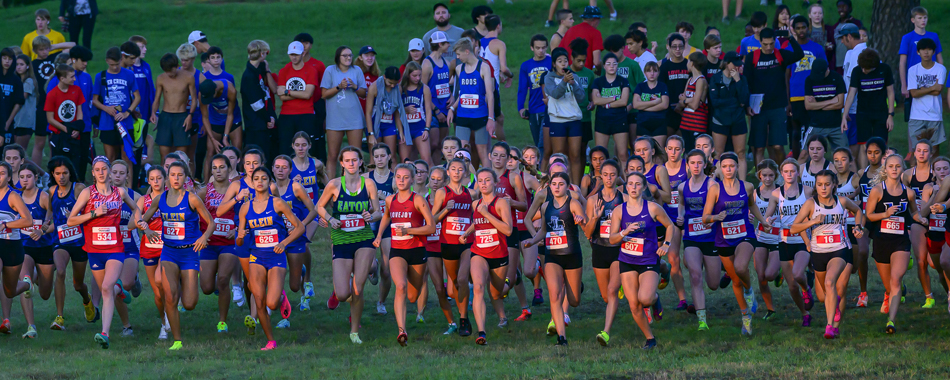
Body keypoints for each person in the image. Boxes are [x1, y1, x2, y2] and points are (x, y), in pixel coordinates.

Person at [138, 161, 213, 350]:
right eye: (173, 175)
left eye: (180, 175)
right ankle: (177, 341)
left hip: (189, 253)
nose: (176, 178)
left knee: (189, 303)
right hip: (169, 252)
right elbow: (140, 220)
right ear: (167, 178)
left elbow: (211, 223)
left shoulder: (192, 199)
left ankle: (183, 282)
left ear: (186, 178)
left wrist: (204, 237)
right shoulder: (159, 199)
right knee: (170, 297)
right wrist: (145, 230)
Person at [66, 156, 138, 349]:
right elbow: (71, 220)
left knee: (106, 288)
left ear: (109, 170)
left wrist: (139, 222)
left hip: (115, 249)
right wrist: (93, 214)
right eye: (97, 169)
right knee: (107, 290)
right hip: (94, 251)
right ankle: (120, 289)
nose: (101, 172)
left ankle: (105, 333)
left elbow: (137, 209)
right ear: (93, 173)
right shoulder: (88, 194)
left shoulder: (120, 192)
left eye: (104, 169)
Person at [317, 147, 381, 344]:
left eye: (355, 160)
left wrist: (371, 216)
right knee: (343, 293)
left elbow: (379, 211)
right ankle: (373, 266)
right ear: (342, 163)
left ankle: (354, 332)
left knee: (357, 288)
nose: (352, 163)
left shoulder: (368, 184)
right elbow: (319, 206)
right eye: (348, 160)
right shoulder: (334, 184)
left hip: (363, 239)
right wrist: (329, 218)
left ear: (361, 162)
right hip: (341, 240)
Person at [701, 153, 770, 335]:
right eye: (725, 166)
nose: (729, 169)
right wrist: (716, 217)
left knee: (741, 268)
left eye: (732, 166)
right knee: (735, 281)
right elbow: (705, 217)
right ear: (720, 169)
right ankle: (745, 316)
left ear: (738, 167)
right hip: (723, 239)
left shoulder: (747, 186)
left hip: (744, 233)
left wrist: (762, 220)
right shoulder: (715, 189)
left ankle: (749, 290)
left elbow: (752, 205)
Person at [790, 169, 864, 339]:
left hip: (840, 249)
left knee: (831, 283)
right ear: (815, 186)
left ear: (834, 185)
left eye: (827, 184)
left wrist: (858, 227)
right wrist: (813, 222)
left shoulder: (842, 201)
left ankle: (830, 326)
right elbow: (794, 228)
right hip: (818, 252)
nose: (823, 188)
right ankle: (835, 306)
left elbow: (858, 211)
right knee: (823, 296)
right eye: (820, 185)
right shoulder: (810, 204)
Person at [237, 166, 304, 350]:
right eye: (256, 178)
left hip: (276, 256)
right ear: (251, 182)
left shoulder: (278, 203)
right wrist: (240, 236)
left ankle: (281, 297)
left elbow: (299, 228)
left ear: (269, 182)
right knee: (258, 299)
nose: (259, 181)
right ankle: (270, 341)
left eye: (263, 178)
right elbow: (240, 241)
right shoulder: (245, 208)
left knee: (271, 303)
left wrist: (284, 243)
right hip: (256, 256)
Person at [608, 171, 673, 349]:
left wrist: (666, 244)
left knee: (644, 299)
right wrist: (624, 232)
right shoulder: (618, 211)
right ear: (626, 187)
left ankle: (655, 298)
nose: (634, 187)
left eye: (638, 184)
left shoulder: (652, 208)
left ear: (643, 187)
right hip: (627, 260)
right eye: (631, 184)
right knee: (634, 305)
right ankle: (650, 339)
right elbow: (612, 239)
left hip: (648, 260)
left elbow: (669, 226)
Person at [373, 163, 435, 345]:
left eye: (405, 177)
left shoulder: (418, 200)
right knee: (400, 286)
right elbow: (386, 216)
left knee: (412, 296)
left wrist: (410, 232)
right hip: (398, 250)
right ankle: (402, 330)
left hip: (417, 251)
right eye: (398, 177)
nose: (401, 180)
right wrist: (378, 236)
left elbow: (431, 227)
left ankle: (414, 307)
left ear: (413, 179)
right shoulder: (390, 200)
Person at [523, 172, 585, 346]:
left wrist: (581, 219)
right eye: (554, 184)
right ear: (549, 186)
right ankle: (561, 337)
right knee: (555, 295)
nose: (557, 187)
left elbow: (586, 225)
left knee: (574, 301)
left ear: (567, 187)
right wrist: (533, 240)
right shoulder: (545, 206)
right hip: (552, 256)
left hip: (572, 255)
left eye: (561, 184)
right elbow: (544, 229)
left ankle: (576, 287)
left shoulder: (573, 204)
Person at [458, 168, 513, 346]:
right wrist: (466, 233)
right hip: (479, 251)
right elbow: (477, 222)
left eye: (487, 180)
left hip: (499, 254)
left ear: (495, 182)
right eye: (480, 180)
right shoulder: (476, 204)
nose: (483, 183)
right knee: (479, 287)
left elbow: (508, 230)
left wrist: (487, 213)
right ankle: (481, 332)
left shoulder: (501, 203)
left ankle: (510, 281)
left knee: (496, 292)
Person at [865, 154, 918, 334]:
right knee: (890, 285)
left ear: (902, 168)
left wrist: (923, 218)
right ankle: (893, 292)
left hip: (900, 241)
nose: (894, 169)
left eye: (898, 166)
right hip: (881, 240)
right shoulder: (878, 191)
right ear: (885, 169)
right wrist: (885, 215)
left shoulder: (909, 193)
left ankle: (891, 321)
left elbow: (915, 213)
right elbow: (869, 215)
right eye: (891, 166)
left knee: (895, 279)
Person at [764, 159, 815, 327]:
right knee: (792, 286)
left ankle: (807, 290)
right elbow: (768, 214)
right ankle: (804, 313)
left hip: (802, 239)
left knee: (798, 274)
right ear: (782, 174)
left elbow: (817, 209)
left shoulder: (807, 191)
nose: (789, 174)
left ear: (798, 173)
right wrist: (768, 219)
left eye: (792, 171)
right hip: (784, 241)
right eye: (786, 172)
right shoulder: (776, 194)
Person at [431, 157, 478, 336]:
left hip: (467, 242)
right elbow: (432, 219)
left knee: (461, 279)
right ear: (448, 172)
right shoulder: (442, 192)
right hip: (447, 243)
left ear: (465, 173)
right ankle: (462, 314)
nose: (457, 172)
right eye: (454, 169)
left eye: (460, 169)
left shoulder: (471, 194)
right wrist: (446, 210)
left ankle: (464, 319)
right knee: (453, 288)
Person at [745, 27, 804, 165]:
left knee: (777, 146)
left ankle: (784, 175)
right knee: (758, 147)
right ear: (760, 42)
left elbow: (799, 54)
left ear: (775, 41)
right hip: (758, 107)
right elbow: (746, 82)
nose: (768, 47)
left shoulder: (780, 54)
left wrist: (790, 38)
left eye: (771, 43)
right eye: (765, 44)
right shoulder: (752, 57)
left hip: (777, 107)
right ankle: (761, 179)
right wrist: (747, 105)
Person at [271, 155, 318, 326]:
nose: (281, 170)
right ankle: (283, 312)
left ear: (290, 170)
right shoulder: (269, 188)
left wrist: (301, 225)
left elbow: (313, 210)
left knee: (295, 286)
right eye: (277, 167)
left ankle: (302, 272)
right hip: (276, 240)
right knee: (277, 276)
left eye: (284, 167)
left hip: (296, 239)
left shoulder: (296, 187)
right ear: (273, 169)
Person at [582, 158, 625, 343]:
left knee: (612, 290)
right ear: (600, 175)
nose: (608, 178)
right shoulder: (593, 200)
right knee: (606, 297)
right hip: (599, 248)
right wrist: (595, 218)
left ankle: (605, 332)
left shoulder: (623, 196)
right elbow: (587, 233)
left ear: (617, 176)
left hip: (618, 248)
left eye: (612, 175)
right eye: (605, 175)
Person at [15, 164, 52, 339]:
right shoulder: (15, 198)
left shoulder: (43, 197)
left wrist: (43, 229)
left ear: (36, 178)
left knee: (45, 293)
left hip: (44, 248)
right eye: (21, 177)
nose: (25, 180)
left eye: (28, 176)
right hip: (24, 246)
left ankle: (35, 276)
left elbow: (55, 220)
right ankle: (31, 326)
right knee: (25, 282)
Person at [447, 38, 495, 167]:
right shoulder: (459, 68)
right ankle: (463, 183)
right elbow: (462, 94)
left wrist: (491, 117)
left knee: (482, 152)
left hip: (480, 116)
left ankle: (488, 181)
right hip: (463, 115)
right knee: (461, 153)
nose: (458, 57)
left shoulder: (483, 67)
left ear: (467, 51)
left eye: (459, 54)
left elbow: (490, 94)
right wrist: (452, 108)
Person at [320, 46, 367, 178]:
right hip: (335, 118)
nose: (348, 58)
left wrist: (355, 87)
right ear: (338, 57)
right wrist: (338, 87)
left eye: (350, 55)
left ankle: (358, 184)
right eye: (345, 56)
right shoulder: (330, 70)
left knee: (356, 154)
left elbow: (364, 93)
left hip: (354, 118)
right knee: (333, 155)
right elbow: (324, 94)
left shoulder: (357, 70)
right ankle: (330, 185)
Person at [902, 141, 937, 308]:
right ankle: (928, 297)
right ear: (914, 153)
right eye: (919, 150)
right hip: (916, 220)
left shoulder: (936, 173)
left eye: (925, 151)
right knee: (921, 261)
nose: (922, 153)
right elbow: (903, 201)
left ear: (931, 153)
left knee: (933, 262)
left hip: (937, 220)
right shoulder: (908, 175)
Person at [788, 15, 828, 159]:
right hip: (796, 95)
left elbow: (825, 71)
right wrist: (788, 101)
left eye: (803, 27)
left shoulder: (817, 48)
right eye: (797, 28)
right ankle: (796, 163)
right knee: (796, 132)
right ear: (793, 30)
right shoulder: (789, 48)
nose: (801, 31)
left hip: (814, 96)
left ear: (808, 28)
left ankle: (812, 161)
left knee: (812, 131)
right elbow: (786, 75)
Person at [134, 165, 167, 338]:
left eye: (159, 178)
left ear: (165, 179)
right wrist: (144, 228)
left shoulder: (172, 197)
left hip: (167, 247)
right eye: (152, 178)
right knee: (157, 292)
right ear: (148, 180)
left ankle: (171, 313)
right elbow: (135, 222)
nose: (156, 181)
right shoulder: (143, 200)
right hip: (148, 248)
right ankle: (164, 322)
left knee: (161, 280)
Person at [545, 47, 586, 183]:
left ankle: (576, 187)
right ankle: (559, 184)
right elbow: (555, 94)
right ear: (554, 64)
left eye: (565, 61)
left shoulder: (575, 77)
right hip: (557, 121)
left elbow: (582, 98)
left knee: (575, 156)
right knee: (559, 156)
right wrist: (564, 81)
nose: (563, 63)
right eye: (559, 61)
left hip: (574, 120)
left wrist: (573, 83)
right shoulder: (549, 78)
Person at [92, 47, 140, 163]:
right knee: (110, 158)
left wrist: (127, 112)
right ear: (107, 61)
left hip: (126, 122)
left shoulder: (129, 74)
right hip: (107, 123)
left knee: (127, 158)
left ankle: (129, 181)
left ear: (121, 59)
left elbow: (137, 97)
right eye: (112, 64)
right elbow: (95, 100)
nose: (115, 67)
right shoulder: (101, 76)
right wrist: (106, 109)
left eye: (117, 64)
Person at [840, 49, 895, 148]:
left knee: (881, 144)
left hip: (881, 112)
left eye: (866, 69)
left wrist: (890, 115)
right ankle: (865, 164)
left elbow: (890, 93)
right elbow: (851, 93)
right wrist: (844, 114)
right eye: (862, 67)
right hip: (863, 113)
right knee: (864, 145)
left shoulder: (885, 69)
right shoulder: (857, 71)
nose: (863, 70)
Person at [276, 41, 318, 160]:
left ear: (303, 53)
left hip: (306, 114)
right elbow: (281, 96)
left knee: (306, 148)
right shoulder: (284, 71)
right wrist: (300, 93)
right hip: (286, 115)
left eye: (297, 54)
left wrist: (288, 91)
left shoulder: (311, 70)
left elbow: (308, 94)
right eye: (291, 54)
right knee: (285, 148)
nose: (294, 57)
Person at [899, 6, 943, 119]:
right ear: (913, 20)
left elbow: (939, 59)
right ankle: (912, 137)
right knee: (912, 115)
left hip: (931, 76)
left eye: (925, 18)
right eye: (919, 18)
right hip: (914, 79)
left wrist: (940, 79)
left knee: (932, 108)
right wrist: (904, 85)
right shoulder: (907, 38)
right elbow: (902, 62)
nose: (923, 21)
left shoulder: (934, 36)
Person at [151, 53, 196, 163]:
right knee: (164, 155)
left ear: (177, 66)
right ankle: (164, 179)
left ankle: (183, 179)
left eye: (171, 71)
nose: (169, 74)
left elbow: (194, 99)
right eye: (166, 71)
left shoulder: (188, 77)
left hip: (181, 116)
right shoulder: (161, 78)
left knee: (182, 156)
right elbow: (157, 99)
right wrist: (153, 113)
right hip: (166, 117)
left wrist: (190, 115)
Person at [907, 39, 946, 156]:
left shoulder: (940, 69)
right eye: (923, 49)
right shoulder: (913, 70)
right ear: (918, 52)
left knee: (934, 151)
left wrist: (922, 90)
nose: (926, 52)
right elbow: (913, 94)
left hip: (935, 114)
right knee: (917, 150)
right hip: (916, 115)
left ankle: (934, 172)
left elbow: (938, 91)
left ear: (934, 52)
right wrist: (932, 87)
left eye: (929, 49)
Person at [292, 33, 327, 164]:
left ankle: (319, 169)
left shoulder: (318, 65)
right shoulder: (290, 66)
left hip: (316, 105)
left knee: (317, 139)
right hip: (298, 107)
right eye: (300, 43)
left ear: (311, 45)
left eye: (306, 43)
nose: (303, 46)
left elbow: (324, 89)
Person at [240, 40, 278, 160]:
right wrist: (268, 118)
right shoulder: (249, 77)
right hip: (255, 125)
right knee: (258, 158)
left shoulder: (257, 72)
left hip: (261, 123)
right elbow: (256, 104)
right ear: (262, 54)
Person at [802, 58, 848, 152]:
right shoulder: (809, 80)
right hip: (816, 124)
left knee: (845, 154)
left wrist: (816, 105)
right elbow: (808, 106)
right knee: (804, 154)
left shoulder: (837, 78)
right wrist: (831, 101)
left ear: (827, 69)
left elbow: (839, 104)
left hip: (835, 125)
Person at [422, 32, 454, 164]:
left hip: (445, 109)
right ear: (440, 44)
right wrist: (435, 110)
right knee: (433, 144)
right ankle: (429, 171)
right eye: (446, 43)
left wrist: (451, 96)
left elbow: (447, 84)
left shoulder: (446, 62)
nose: (449, 45)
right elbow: (422, 91)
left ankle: (439, 172)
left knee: (442, 145)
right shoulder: (427, 64)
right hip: (433, 110)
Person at [479, 15, 512, 142]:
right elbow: (504, 67)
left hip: (480, 84)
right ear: (498, 26)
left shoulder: (479, 42)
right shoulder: (499, 44)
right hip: (492, 86)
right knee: (498, 118)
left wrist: (500, 74)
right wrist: (510, 75)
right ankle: (503, 147)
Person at [591, 53, 629, 164]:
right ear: (604, 66)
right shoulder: (598, 82)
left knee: (622, 154)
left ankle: (626, 180)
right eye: (608, 64)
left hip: (619, 119)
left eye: (614, 64)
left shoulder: (623, 81)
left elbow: (624, 101)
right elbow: (596, 100)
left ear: (618, 65)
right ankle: (602, 179)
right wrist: (615, 97)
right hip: (602, 120)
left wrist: (606, 103)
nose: (611, 66)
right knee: (601, 154)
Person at [837, 23, 865, 165]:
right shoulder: (851, 53)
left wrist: (846, 110)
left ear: (849, 36)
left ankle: (855, 175)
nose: (841, 42)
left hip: (854, 108)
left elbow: (853, 85)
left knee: (853, 145)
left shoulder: (858, 53)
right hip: (851, 107)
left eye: (842, 38)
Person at [518, 35, 550, 151]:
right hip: (534, 108)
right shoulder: (526, 66)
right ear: (532, 48)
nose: (540, 51)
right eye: (537, 48)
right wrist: (520, 107)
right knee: (537, 143)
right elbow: (522, 88)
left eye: (543, 47)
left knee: (543, 144)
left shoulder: (552, 62)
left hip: (549, 108)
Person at [400, 63, 434, 165]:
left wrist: (427, 129)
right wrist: (405, 109)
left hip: (420, 127)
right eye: (414, 76)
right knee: (405, 161)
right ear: (408, 75)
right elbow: (396, 109)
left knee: (426, 159)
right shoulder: (400, 88)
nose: (417, 78)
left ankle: (431, 179)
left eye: (419, 75)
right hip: (405, 129)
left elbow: (428, 110)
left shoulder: (424, 88)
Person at [658, 33, 689, 139]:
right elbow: (661, 89)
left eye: (680, 46)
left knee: (685, 144)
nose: (677, 49)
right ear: (669, 47)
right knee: (668, 144)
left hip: (686, 110)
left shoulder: (689, 65)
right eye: (674, 46)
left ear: (684, 47)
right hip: (669, 111)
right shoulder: (664, 67)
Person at [631, 62, 669, 146]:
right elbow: (636, 105)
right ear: (645, 73)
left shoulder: (662, 86)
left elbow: (665, 105)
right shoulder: (640, 86)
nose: (652, 74)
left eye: (655, 71)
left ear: (658, 73)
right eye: (649, 71)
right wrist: (655, 102)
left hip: (659, 123)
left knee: (659, 152)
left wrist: (644, 107)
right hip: (642, 123)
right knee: (642, 151)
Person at [677, 52, 709, 150]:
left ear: (692, 63)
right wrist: (689, 100)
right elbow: (681, 101)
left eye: (688, 61)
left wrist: (685, 101)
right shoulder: (690, 79)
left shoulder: (701, 80)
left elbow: (695, 105)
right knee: (686, 151)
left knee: (696, 152)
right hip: (686, 122)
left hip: (697, 123)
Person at [569, 40, 596, 148]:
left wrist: (593, 103)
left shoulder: (589, 74)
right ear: (572, 58)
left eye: (583, 61)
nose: (581, 64)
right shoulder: (565, 73)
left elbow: (591, 94)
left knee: (583, 149)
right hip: (569, 117)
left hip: (585, 116)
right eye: (578, 60)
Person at [558, 6, 603, 71]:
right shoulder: (596, 33)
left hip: (568, 73)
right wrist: (600, 71)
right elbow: (597, 62)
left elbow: (560, 52)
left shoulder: (570, 30)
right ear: (595, 20)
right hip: (585, 73)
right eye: (599, 20)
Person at [1, 48, 25, 147]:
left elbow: (18, 102)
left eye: (10, 59)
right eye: (4, 58)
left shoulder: (16, 80)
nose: (7, 61)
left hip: (7, 121)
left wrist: (8, 122)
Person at [13, 55, 37, 150]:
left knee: (20, 153)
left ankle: (35, 166)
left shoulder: (29, 81)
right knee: (13, 152)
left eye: (21, 64)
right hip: (16, 121)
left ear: (28, 66)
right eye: (17, 64)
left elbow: (22, 99)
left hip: (25, 122)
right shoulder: (17, 80)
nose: (18, 67)